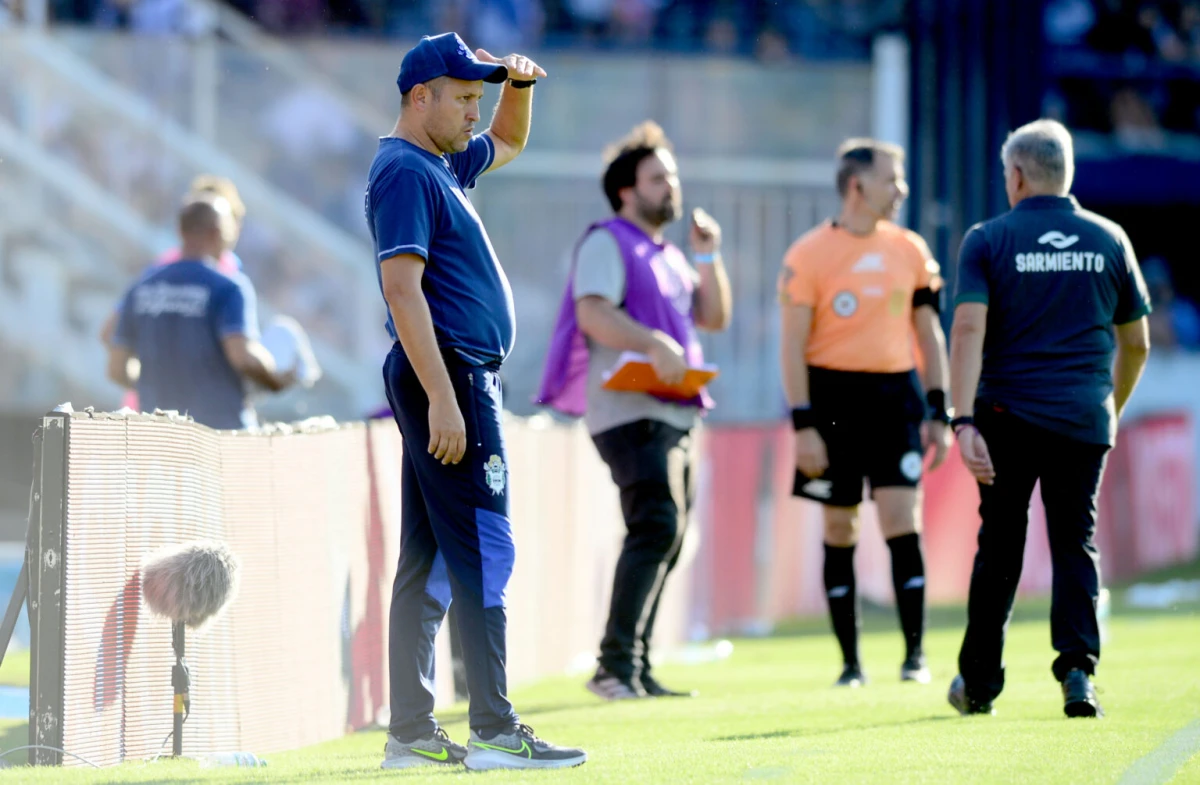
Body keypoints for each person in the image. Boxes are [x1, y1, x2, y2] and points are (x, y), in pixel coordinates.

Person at [364, 32, 586, 771]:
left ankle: (411, 733)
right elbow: (402, 290)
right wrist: (442, 397)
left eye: (476, 98)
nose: (472, 112)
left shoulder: (439, 162)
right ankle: (493, 728)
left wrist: (517, 87)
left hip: (452, 376)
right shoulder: (405, 170)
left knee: (428, 557)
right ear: (419, 96)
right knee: (487, 546)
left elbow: (509, 141)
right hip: (450, 376)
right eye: (462, 98)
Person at [947, 119, 1152, 719]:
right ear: (1067, 173)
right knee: (1074, 543)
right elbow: (1136, 342)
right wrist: (1110, 407)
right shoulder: (1110, 238)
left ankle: (979, 683)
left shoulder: (987, 239)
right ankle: (1078, 674)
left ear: (1015, 175)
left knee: (1000, 544)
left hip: (1005, 416)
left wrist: (962, 419)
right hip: (1082, 416)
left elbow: (967, 328)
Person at [535, 120, 732, 701]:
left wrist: (708, 255)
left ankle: (633, 667)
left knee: (670, 534)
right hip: (628, 410)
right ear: (626, 190)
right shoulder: (607, 241)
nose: (671, 186)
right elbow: (592, 312)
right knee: (657, 525)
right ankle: (614, 666)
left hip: (673, 412)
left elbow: (714, 316)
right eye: (657, 178)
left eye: (672, 176)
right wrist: (652, 343)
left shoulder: (669, 254)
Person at [777, 138, 952, 688]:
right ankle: (850, 665)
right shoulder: (807, 255)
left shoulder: (911, 250)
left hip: (895, 398)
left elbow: (929, 333)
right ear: (857, 185)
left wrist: (940, 409)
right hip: (831, 401)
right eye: (891, 179)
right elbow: (792, 347)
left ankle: (915, 657)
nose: (902, 189)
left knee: (902, 518)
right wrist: (803, 425)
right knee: (839, 523)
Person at [106, 195, 294, 429]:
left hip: (161, 435)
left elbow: (116, 368)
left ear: (180, 231)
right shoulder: (228, 287)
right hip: (219, 434)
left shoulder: (142, 287)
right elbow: (242, 356)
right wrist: (276, 379)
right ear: (218, 233)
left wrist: (155, 386)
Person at [101, 174, 249, 411]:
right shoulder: (171, 267)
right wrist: (154, 379)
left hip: (187, 408)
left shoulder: (228, 269)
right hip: (167, 409)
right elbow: (111, 331)